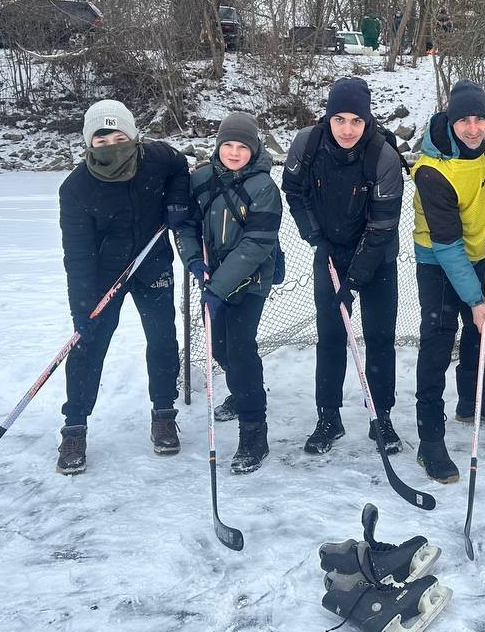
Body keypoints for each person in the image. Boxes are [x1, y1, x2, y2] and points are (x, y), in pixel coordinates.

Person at [57, 100, 190, 475]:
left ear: (134, 136)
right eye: (102, 139)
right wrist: (81, 308)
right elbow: (78, 255)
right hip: (103, 277)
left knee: (163, 340)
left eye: (120, 137)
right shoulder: (77, 189)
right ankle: (75, 426)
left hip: (153, 264)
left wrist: (177, 200)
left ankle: (164, 412)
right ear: (89, 144)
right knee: (89, 346)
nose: (112, 145)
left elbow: (181, 168)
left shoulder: (156, 157)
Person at [282, 77, 405, 455]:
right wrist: (314, 235)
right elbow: (294, 190)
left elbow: (384, 223)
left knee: (380, 338)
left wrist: (353, 279)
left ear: (366, 121)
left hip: (376, 256)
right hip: (330, 253)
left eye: (355, 120)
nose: (347, 129)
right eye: (339, 119)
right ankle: (328, 417)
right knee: (332, 337)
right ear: (328, 118)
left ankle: (381, 416)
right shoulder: (308, 143)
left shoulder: (382, 156)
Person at [411, 80, 485, 482]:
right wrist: (475, 301)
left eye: (480, 119)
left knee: (482, 335)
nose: (474, 129)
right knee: (438, 341)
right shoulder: (431, 172)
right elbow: (447, 246)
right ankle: (430, 440)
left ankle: (472, 401)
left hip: (480, 252)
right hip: (439, 259)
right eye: (464, 121)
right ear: (450, 120)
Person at [177, 113, 283, 474]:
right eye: (228, 145)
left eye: (242, 146)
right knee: (219, 347)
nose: (234, 153)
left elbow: (257, 244)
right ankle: (241, 394)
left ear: (253, 150)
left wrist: (219, 287)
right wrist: (193, 261)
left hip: (250, 281)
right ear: (218, 146)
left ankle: (254, 431)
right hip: (213, 280)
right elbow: (187, 226)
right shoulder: (201, 179)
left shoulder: (264, 188)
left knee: (239, 349)